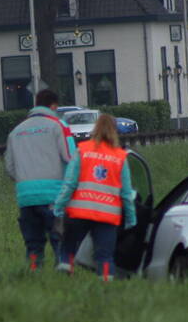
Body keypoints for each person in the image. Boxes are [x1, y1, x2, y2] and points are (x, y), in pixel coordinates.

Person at [53, 113, 136, 282]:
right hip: (107, 214)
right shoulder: (120, 157)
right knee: (104, 255)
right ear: (115, 131)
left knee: (68, 245)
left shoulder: (82, 150)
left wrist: (59, 207)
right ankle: (105, 282)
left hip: (80, 211)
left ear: (95, 128)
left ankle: (65, 269)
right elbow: (127, 194)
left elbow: (69, 183)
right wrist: (131, 218)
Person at [5, 89, 75, 271]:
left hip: (25, 196)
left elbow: (10, 167)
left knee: (33, 241)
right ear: (53, 106)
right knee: (59, 237)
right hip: (54, 194)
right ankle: (63, 268)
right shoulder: (58, 126)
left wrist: (24, 180)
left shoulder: (16, 131)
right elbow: (70, 158)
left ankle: (35, 269)